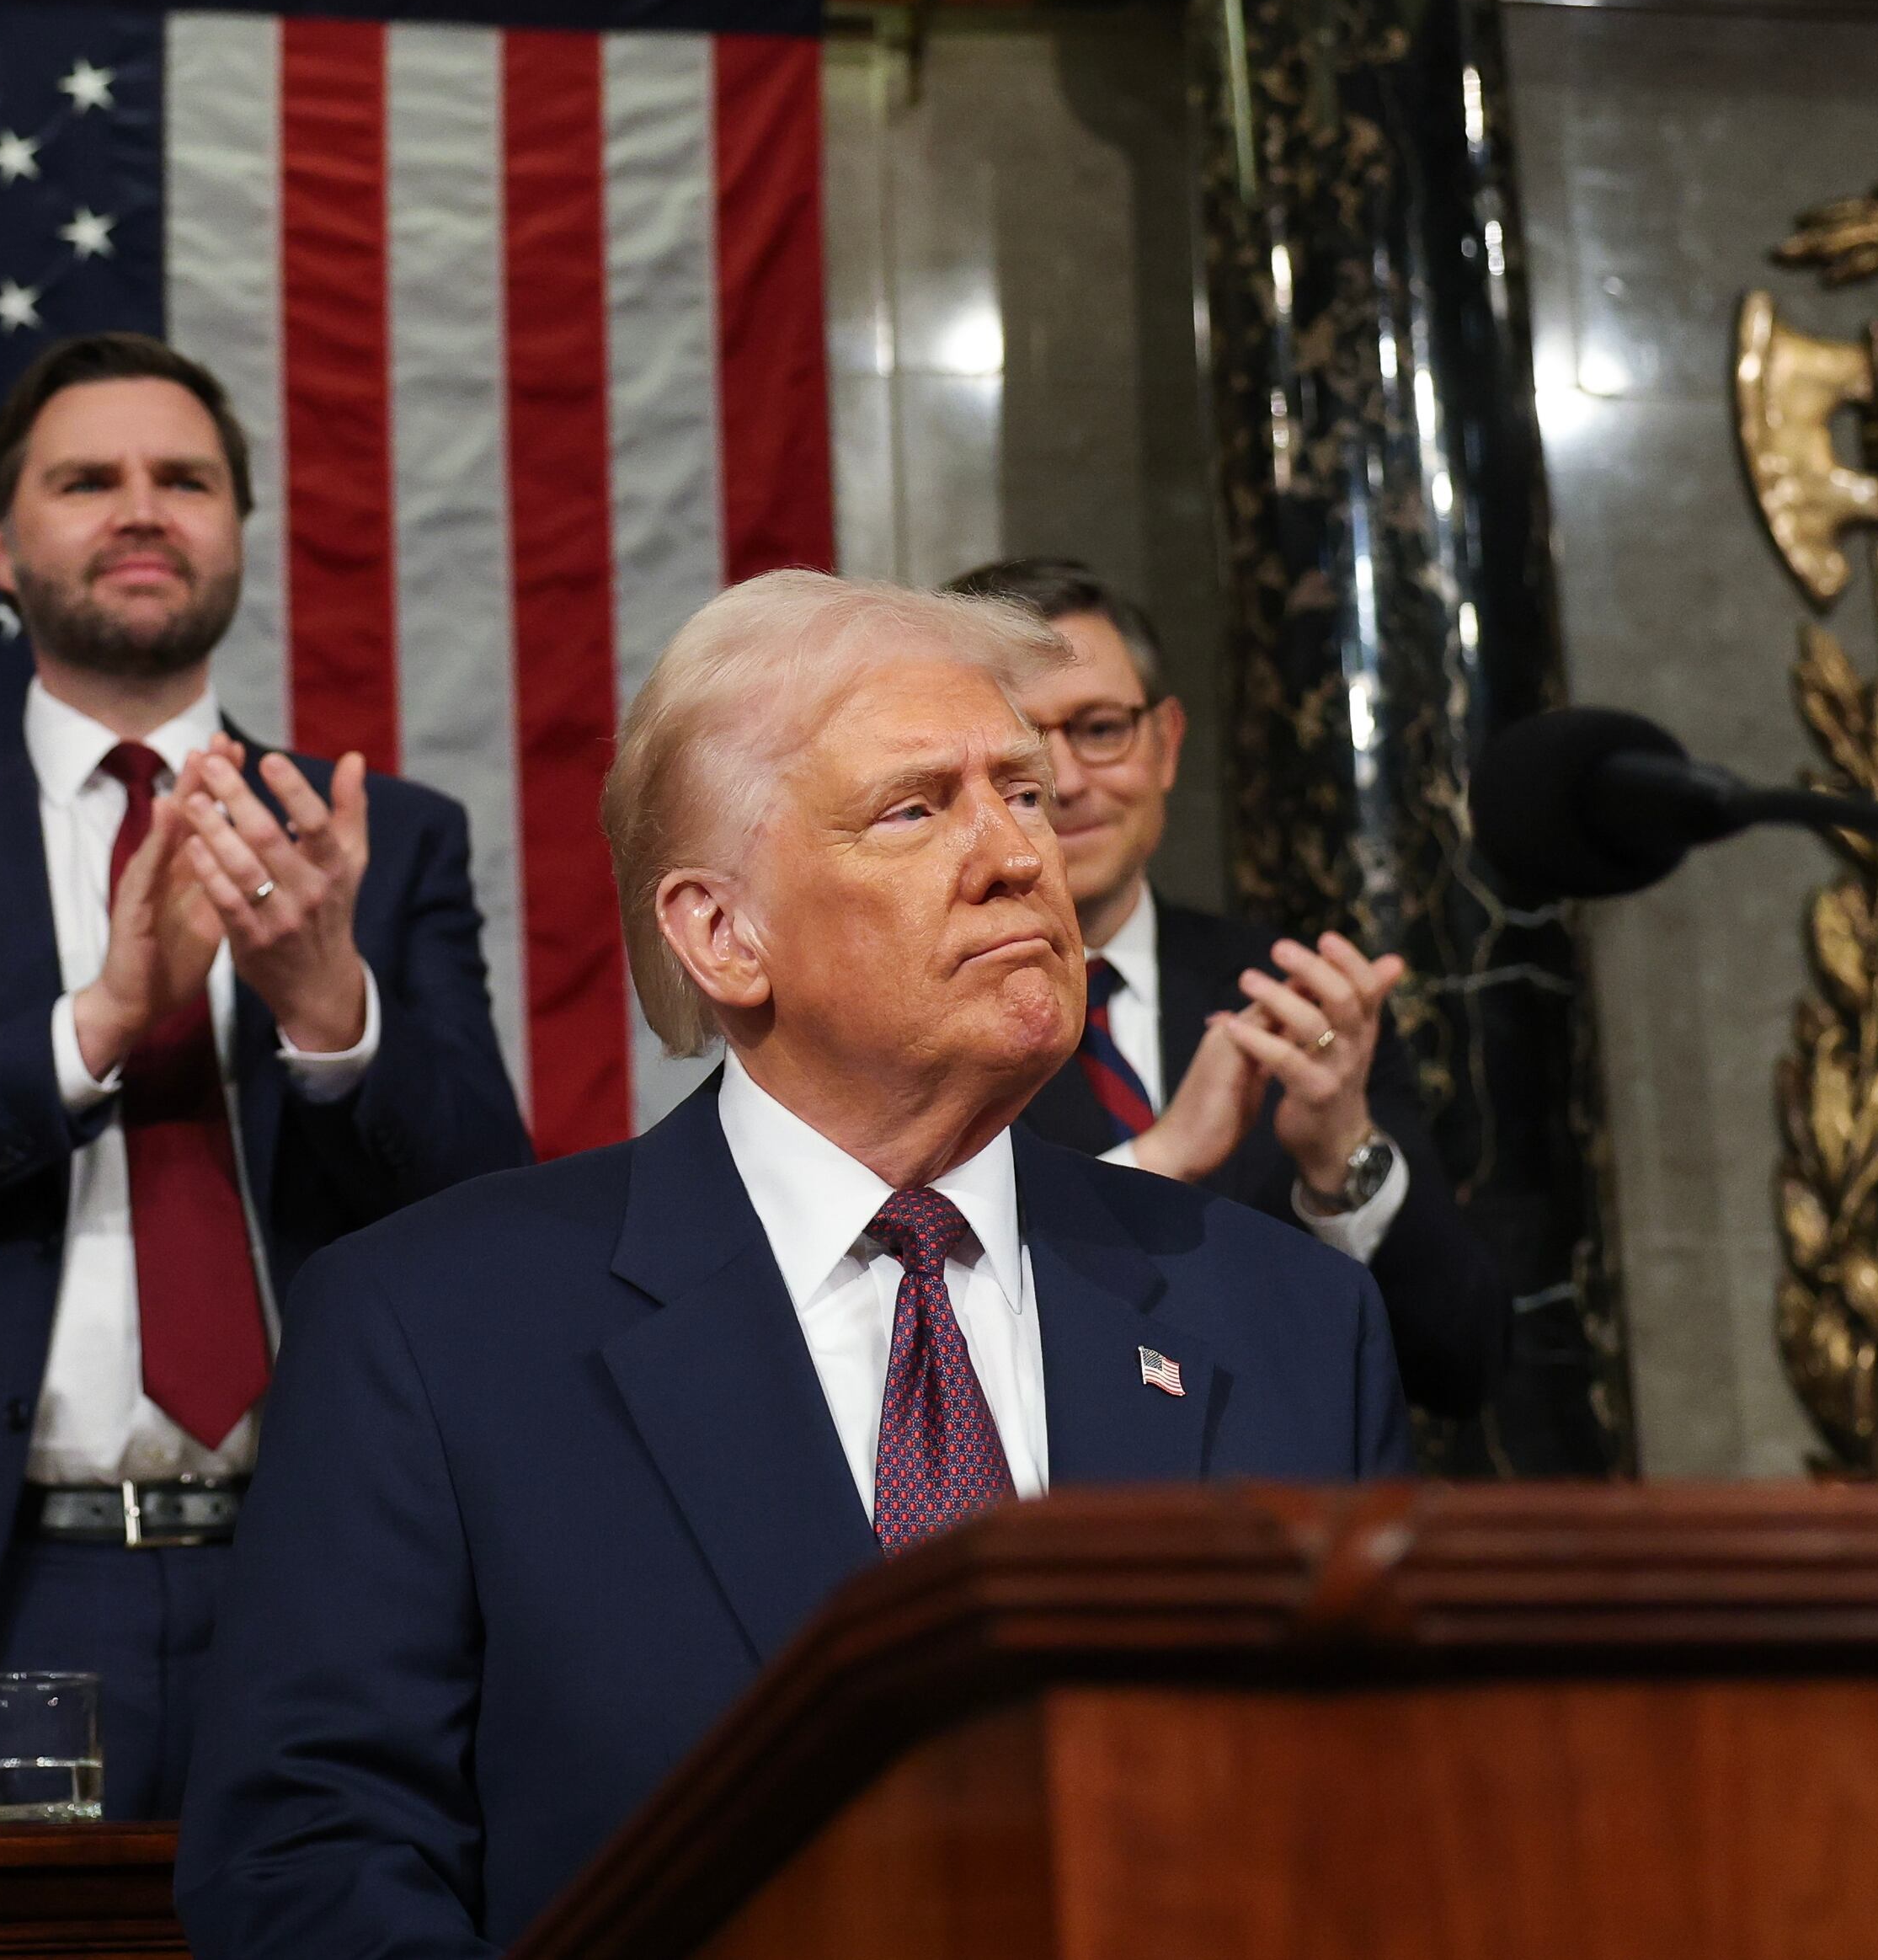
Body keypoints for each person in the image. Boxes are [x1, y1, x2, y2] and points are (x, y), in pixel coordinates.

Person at [177, 572, 1400, 1958]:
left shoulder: (1290, 1314)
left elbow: (1403, 1824)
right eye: (919, 807)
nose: (1017, 855)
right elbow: (309, 1862)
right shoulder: (434, 1327)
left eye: (1024, 793)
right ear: (723, 933)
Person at [0, 331, 531, 1824]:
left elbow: (496, 1213)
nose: (142, 508)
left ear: (238, 530)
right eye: (89, 479)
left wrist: (328, 1009)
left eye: (187, 479)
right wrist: (90, 1025)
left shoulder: (378, 836)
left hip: (324, 1573)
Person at [944, 556, 1512, 1423]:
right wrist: (1160, 1159)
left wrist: (1340, 1163)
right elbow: (918, 1319)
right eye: (1020, 745)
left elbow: (1461, 1363)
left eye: (1099, 727)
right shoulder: (906, 1015)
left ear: (1165, 744)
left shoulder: (1291, 996)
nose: (1065, 781)